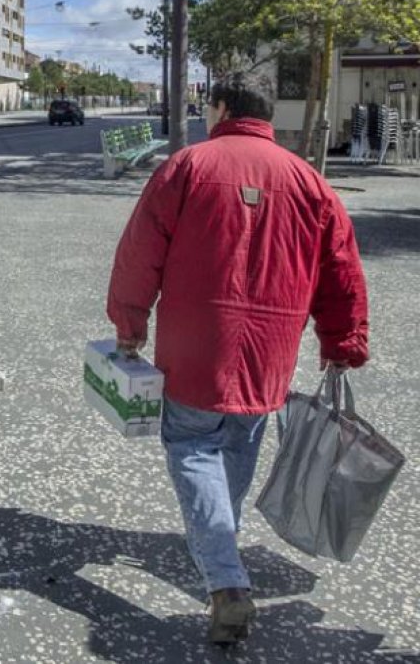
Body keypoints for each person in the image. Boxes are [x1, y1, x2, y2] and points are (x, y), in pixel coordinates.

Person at [106, 72, 369, 646]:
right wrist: (343, 342)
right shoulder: (310, 182)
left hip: (194, 347)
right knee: (238, 444)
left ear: (222, 107)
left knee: (193, 446)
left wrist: (129, 327)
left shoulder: (186, 167)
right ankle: (221, 544)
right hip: (270, 351)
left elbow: (139, 255)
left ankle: (226, 580)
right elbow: (342, 273)